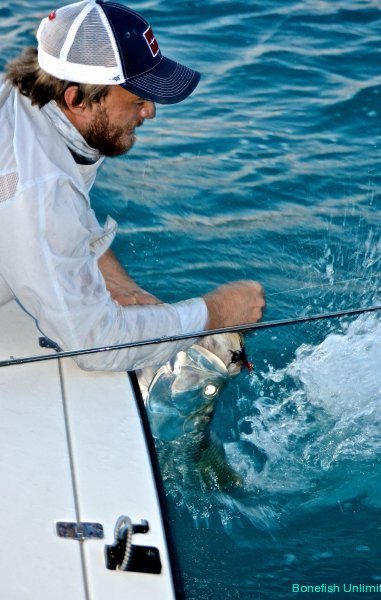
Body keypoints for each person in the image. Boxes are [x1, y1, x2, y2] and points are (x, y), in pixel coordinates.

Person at [0, 0, 265, 371]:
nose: (150, 111)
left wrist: (121, 285)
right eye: (138, 99)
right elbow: (95, 345)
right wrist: (215, 313)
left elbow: (61, 219)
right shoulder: (38, 189)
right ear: (76, 100)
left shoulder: (23, 100)